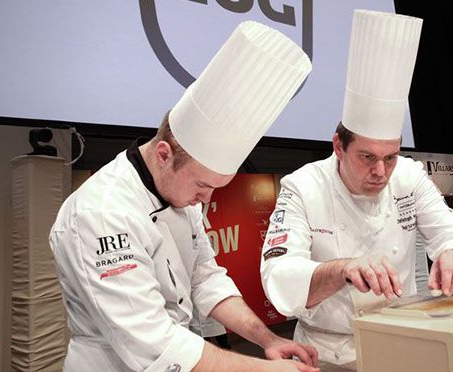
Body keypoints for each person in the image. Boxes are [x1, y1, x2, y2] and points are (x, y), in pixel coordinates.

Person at [49, 21, 319, 372]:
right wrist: (267, 370)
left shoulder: (181, 195)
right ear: (164, 154)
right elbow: (154, 343)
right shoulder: (100, 214)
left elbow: (205, 279)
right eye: (202, 185)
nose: (205, 200)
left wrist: (268, 339)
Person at [260, 10, 453, 371]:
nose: (380, 171)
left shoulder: (410, 179)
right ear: (338, 145)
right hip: (325, 352)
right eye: (367, 156)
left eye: (390, 157)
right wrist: (343, 269)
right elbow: (278, 276)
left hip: (399, 340)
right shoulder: (302, 186)